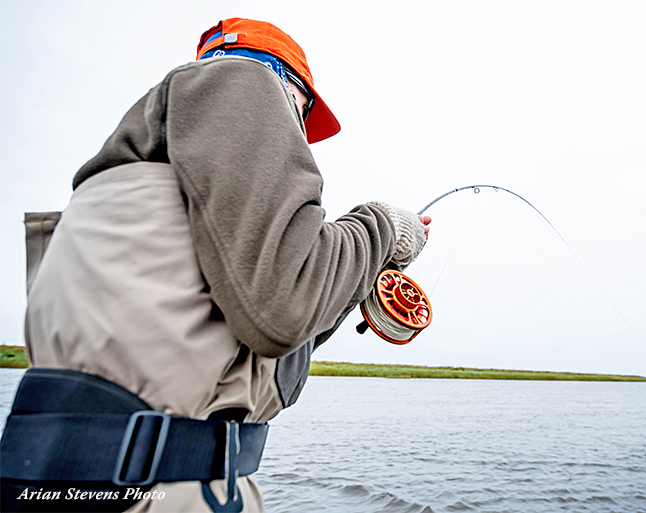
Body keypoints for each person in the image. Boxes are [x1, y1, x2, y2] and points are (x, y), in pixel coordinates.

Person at [0, 18, 430, 513]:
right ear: (283, 84)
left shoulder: (159, 185)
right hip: (153, 490)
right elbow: (281, 309)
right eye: (303, 115)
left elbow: (263, 329)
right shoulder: (241, 80)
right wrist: (385, 226)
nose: (300, 140)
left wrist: (357, 278)